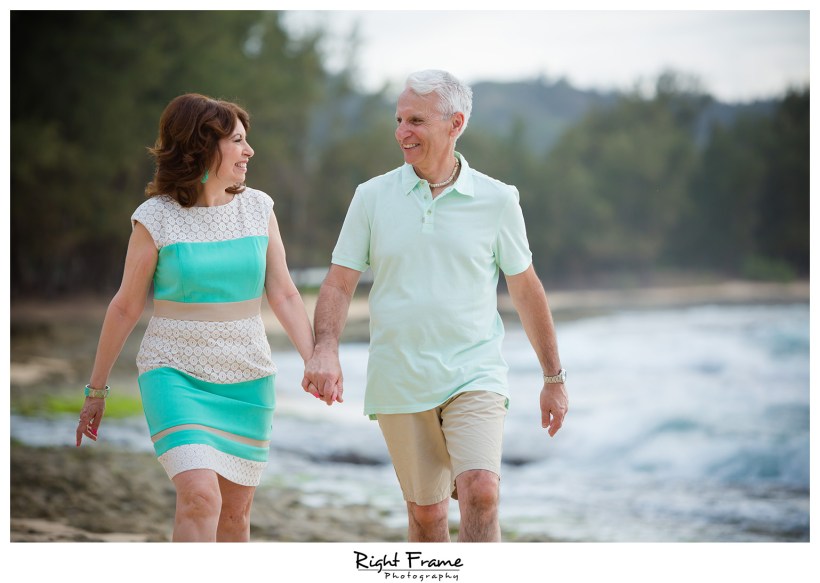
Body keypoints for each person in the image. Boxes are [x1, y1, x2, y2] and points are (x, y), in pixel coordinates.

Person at [303, 70, 568, 542]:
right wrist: (325, 348)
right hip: (400, 374)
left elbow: (526, 289)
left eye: (417, 121)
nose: (403, 132)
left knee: (481, 490)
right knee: (426, 516)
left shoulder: (498, 199)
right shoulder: (371, 197)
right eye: (400, 119)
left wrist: (553, 378)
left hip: (475, 371)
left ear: (455, 124)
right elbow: (340, 284)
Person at [75, 93, 315, 542]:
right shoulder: (156, 217)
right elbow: (126, 305)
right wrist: (96, 390)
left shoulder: (259, 208)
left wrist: (314, 359)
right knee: (201, 496)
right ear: (203, 144)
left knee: (234, 518)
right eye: (238, 141)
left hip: (247, 377)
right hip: (174, 372)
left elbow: (282, 293)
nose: (250, 151)